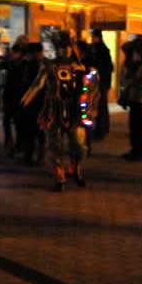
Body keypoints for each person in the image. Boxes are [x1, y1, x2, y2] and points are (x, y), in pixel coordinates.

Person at [21, 32, 98, 192]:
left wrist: (90, 106)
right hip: (53, 110)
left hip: (74, 111)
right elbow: (37, 84)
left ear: (72, 49)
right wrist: (27, 97)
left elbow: (91, 88)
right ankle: (59, 176)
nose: (64, 51)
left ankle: (76, 170)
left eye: (67, 48)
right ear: (56, 49)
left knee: (78, 145)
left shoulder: (81, 67)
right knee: (54, 145)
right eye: (61, 48)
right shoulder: (49, 65)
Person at [18, 42, 45, 165]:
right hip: (39, 102)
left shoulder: (31, 65)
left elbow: (26, 84)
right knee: (39, 130)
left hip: (32, 101)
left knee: (31, 130)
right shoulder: (43, 65)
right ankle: (38, 155)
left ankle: (30, 155)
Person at [1, 38, 26, 156]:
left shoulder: (24, 64)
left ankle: (17, 143)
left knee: (17, 121)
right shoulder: (10, 63)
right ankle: (11, 142)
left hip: (18, 95)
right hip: (11, 95)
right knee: (9, 120)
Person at [89, 30, 114, 140]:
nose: (92, 39)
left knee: (100, 106)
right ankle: (103, 128)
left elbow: (105, 67)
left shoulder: (100, 50)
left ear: (97, 37)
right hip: (102, 82)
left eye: (93, 37)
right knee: (102, 106)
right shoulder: (103, 49)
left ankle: (101, 130)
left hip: (100, 82)